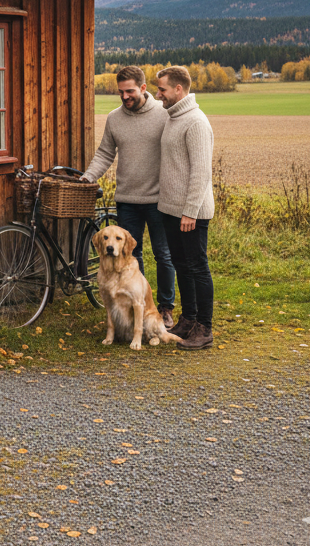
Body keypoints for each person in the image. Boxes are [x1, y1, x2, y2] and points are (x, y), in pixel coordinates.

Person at [82, 65, 175, 328]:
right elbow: (104, 154)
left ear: (144, 88)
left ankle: (165, 308)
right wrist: (89, 176)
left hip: (159, 201)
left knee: (164, 255)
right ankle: (138, 308)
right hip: (127, 201)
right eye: (120, 92)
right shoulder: (114, 118)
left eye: (130, 91)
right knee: (135, 256)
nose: (125, 97)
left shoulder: (163, 114)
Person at [155, 65, 215, 351]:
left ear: (178, 89)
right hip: (170, 209)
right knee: (181, 266)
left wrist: (190, 210)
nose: (158, 95)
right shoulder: (173, 117)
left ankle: (204, 328)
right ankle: (189, 319)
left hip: (190, 213)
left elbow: (201, 171)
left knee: (197, 268)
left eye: (162, 89)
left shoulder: (196, 122)